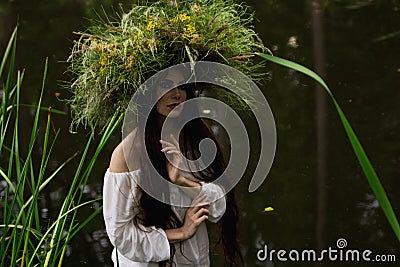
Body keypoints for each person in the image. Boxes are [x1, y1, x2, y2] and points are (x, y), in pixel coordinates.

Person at [103, 67, 244, 266]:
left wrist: (181, 181)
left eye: (182, 86)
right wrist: (180, 232)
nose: (176, 94)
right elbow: (121, 235)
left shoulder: (195, 135)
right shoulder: (128, 153)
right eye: (166, 85)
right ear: (147, 91)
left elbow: (219, 205)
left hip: (193, 259)